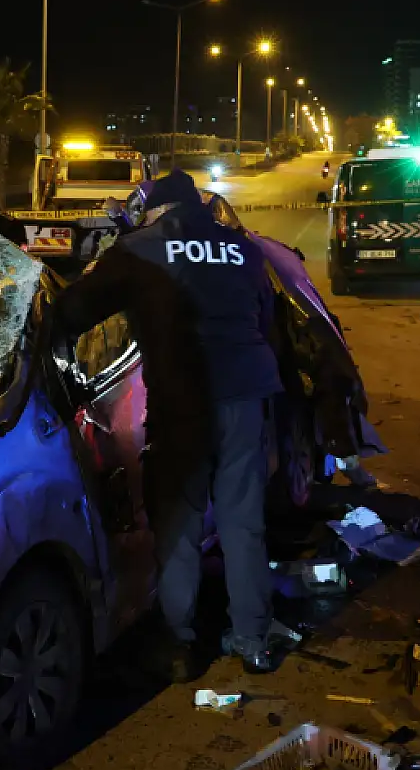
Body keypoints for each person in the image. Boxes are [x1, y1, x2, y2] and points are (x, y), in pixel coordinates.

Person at [53, 169, 288, 679]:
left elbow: (73, 311)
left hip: (183, 399)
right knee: (242, 521)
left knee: (178, 522)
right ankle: (252, 639)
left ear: (157, 211)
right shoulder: (241, 248)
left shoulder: (142, 248)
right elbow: (264, 319)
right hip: (245, 393)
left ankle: (180, 645)